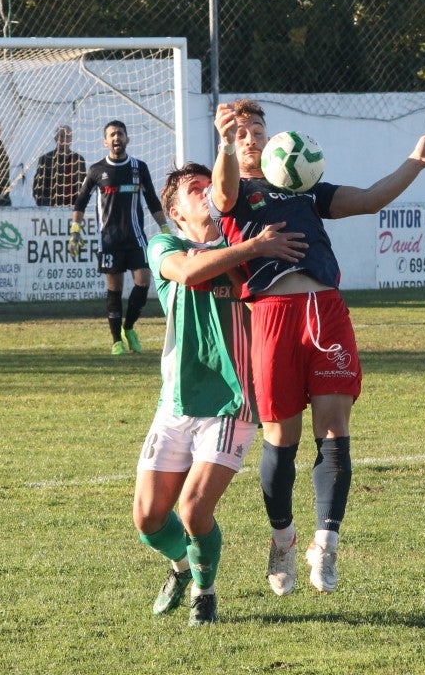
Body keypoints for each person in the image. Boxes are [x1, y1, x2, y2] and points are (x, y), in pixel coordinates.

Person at [211, 98, 425, 594]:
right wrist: (223, 144)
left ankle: (325, 544)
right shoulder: (235, 190)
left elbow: (368, 199)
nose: (251, 137)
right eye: (241, 133)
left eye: (257, 129)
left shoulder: (302, 186)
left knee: (334, 429)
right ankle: (283, 539)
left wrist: (417, 160)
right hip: (273, 316)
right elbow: (221, 193)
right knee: (280, 438)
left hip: (325, 311)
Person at [133, 162, 307, 626]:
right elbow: (189, 273)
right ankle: (182, 566)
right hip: (177, 401)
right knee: (148, 519)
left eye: (210, 185)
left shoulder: (247, 244)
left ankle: (204, 593)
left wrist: (252, 248)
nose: (206, 191)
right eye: (195, 189)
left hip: (234, 403)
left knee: (193, 510)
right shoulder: (166, 245)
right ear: (176, 212)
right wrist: (254, 247)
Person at [70, 120, 169, 355]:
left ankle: (129, 327)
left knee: (143, 282)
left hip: (136, 238)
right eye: (112, 135)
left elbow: (152, 199)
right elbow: (81, 201)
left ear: (127, 139)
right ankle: (116, 341)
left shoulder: (139, 167)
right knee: (114, 289)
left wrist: (164, 227)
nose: (117, 138)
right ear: (105, 141)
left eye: (120, 134)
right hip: (110, 240)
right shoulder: (96, 170)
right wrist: (75, 230)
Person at [33, 125, 86, 207]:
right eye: (61, 136)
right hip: (52, 209)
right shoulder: (46, 159)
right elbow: (38, 188)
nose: (64, 139)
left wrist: (80, 205)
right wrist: (46, 207)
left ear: (71, 139)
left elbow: (84, 186)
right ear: (55, 138)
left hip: (74, 208)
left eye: (68, 136)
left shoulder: (79, 160)